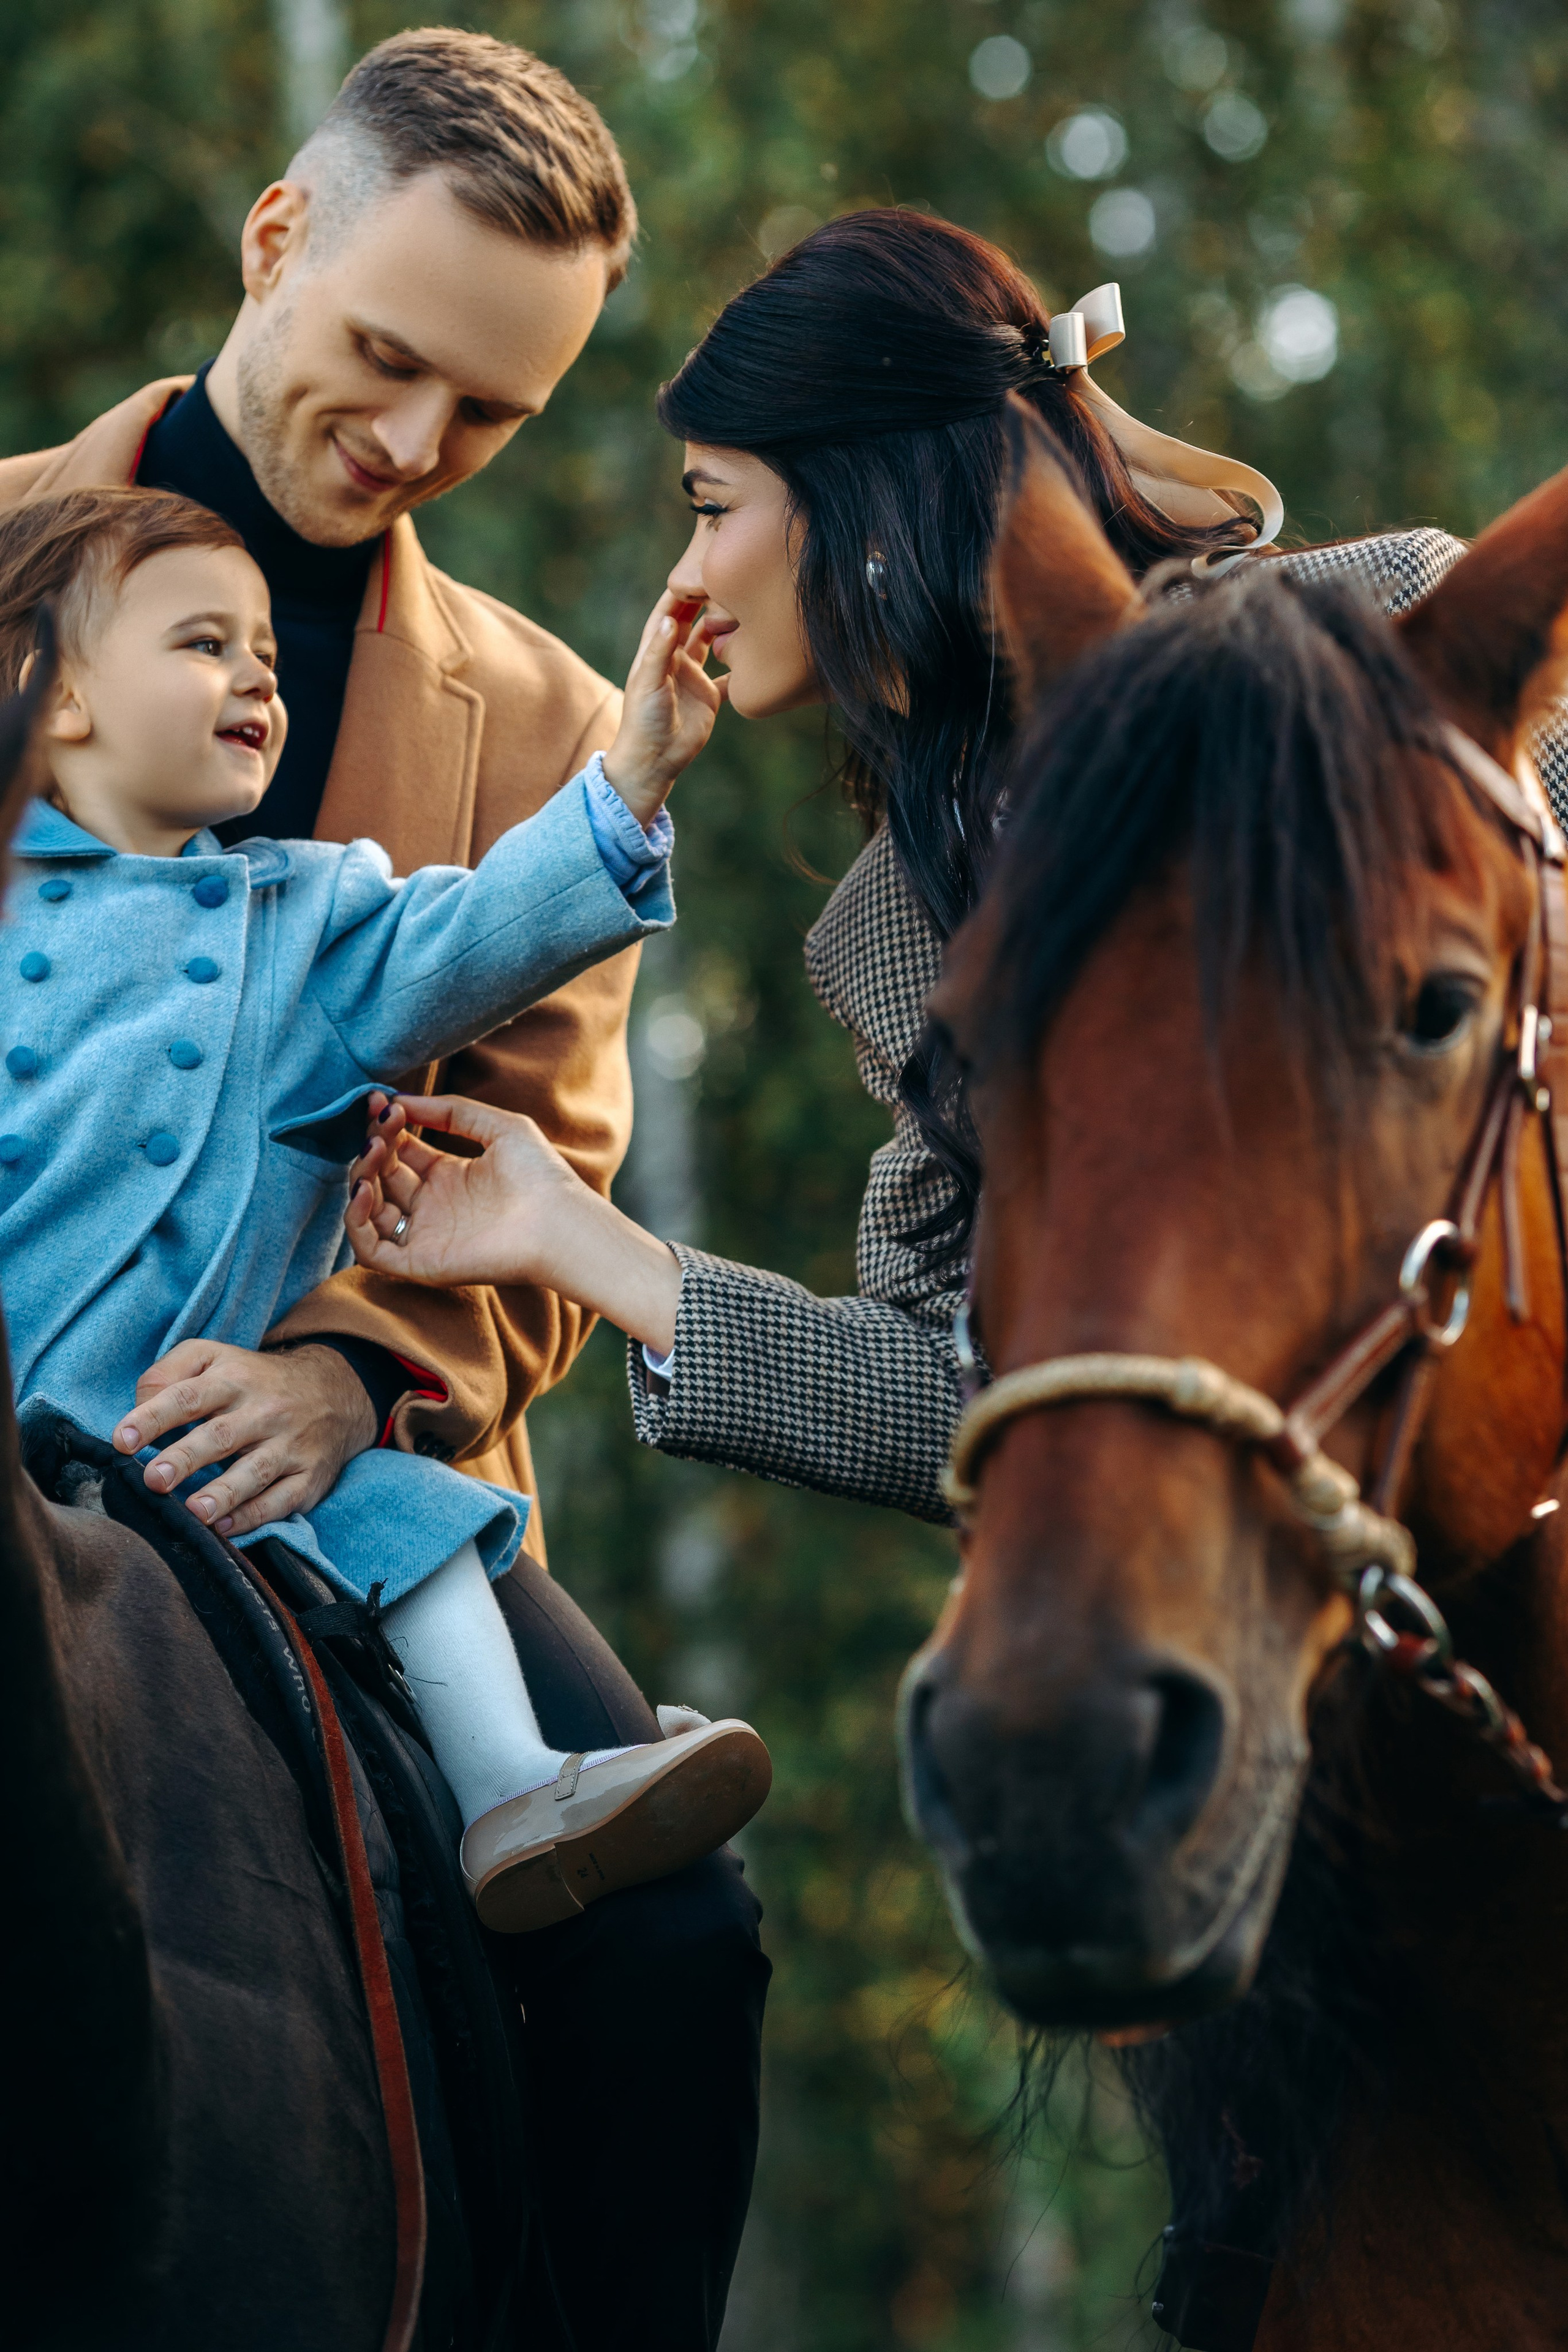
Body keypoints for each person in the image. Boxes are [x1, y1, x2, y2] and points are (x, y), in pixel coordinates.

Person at [337, 206, 1568, 1527]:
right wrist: (566, 1232)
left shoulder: (1380, 629)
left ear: (863, 499)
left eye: (711, 509)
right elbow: (969, 1395)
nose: (685, 579)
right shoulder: (893, 928)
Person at [0, 483, 772, 1931]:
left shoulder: (311, 923)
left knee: (409, 1526)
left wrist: (632, 777)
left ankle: (512, 1790)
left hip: (197, 1441)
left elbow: (483, 934)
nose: (255, 677)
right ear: (50, 697)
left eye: (268, 662)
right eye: (202, 645)